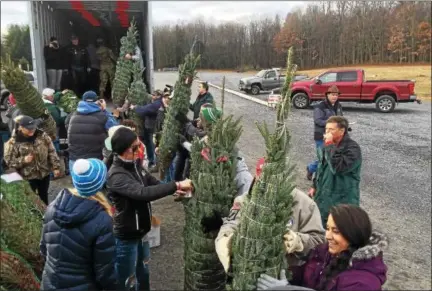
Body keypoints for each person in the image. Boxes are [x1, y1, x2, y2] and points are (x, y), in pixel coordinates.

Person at [106, 126, 193, 291]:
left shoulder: (134, 165)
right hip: (127, 236)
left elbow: (150, 182)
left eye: (139, 145)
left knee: (143, 272)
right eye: (135, 147)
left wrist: (174, 190)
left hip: (142, 231)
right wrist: (177, 184)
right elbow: (143, 193)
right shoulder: (116, 176)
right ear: (124, 150)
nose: (140, 149)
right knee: (127, 280)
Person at [215, 157, 325, 274]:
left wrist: (297, 241)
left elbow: (319, 242)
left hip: (287, 276)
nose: (266, 188)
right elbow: (232, 223)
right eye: (261, 180)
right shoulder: (244, 200)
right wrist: (225, 239)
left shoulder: (305, 205)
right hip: (247, 274)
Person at [257, 204, 388, 291]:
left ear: (352, 234)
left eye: (336, 231)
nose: (328, 236)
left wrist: (288, 289)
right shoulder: (326, 252)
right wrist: (281, 273)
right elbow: (304, 273)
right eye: (327, 228)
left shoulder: (363, 283)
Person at [40, 158, 117, 291]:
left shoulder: (52, 207)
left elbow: (43, 249)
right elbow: (105, 272)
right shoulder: (102, 220)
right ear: (100, 185)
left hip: (50, 284)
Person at [309, 116, 362, 226]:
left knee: (339, 229)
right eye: (326, 129)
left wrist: (329, 145)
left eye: (331, 130)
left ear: (342, 131)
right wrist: (315, 185)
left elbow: (337, 168)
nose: (327, 132)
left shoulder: (352, 149)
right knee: (321, 228)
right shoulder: (326, 146)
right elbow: (321, 166)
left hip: (342, 199)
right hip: (324, 196)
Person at [4, 115, 61, 204]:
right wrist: (23, 160)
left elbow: (51, 151)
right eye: (28, 128)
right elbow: (9, 162)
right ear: (21, 128)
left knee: (44, 196)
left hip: (44, 173)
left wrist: (56, 167)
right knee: (31, 200)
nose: (32, 130)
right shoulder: (13, 142)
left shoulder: (42, 135)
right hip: (28, 177)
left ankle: (45, 214)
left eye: (33, 128)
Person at [66, 90, 119, 170]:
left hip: (75, 158)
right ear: (97, 101)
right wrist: (104, 110)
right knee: (96, 181)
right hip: (95, 159)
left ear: (82, 100)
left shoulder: (72, 115)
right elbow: (115, 128)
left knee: (79, 181)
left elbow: (67, 126)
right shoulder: (102, 115)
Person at [306, 85, 343, 180]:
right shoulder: (320, 106)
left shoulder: (338, 106)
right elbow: (318, 121)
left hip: (334, 136)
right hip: (321, 136)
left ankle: (322, 175)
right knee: (322, 158)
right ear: (327, 95)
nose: (335, 97)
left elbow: (341, 118)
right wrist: (332, 123)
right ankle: (312, 170)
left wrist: (344, 125)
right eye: (333, 94)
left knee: (330, 157)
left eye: (336, 95)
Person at [129, 91, 172, 171]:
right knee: (152, 145)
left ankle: (153, 162)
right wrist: (136, 108)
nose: (170, 100)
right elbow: (144, 110)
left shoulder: (161, 104)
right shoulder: (157, 105)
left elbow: (144, 110)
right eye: (169, 98)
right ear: (164, 97)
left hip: (156, 129)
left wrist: (135, 107)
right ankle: (153, 162)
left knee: (152, 145)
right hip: (153, 129)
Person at [42, 88, 67, 152]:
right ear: (49, 97)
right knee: (54, 145)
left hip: (44, 131)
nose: (53, 96)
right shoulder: (52, 107)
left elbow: (55, 97)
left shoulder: (41, 104)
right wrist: (64, 113)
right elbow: (58, 120)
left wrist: (61, 93)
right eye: (52, 95)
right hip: (53, 131)